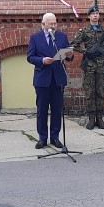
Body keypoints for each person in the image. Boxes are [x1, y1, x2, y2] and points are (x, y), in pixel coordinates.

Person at [27, 12, 73, 149]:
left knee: (57, 110)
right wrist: (41, 60)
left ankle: (55, 137)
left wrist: (70, 55)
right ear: (43, 24)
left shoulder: (61, 37)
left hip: (58, 78)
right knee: (42, 110)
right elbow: (30, 57)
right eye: (50, 24)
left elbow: (68, 56)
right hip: (42, 79)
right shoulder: (35, 38)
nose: (53, 26)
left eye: (55, 23)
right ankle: (42, 138)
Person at [71, 5, 104, 130]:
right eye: (93, 13)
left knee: (100, 92)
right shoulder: (84, 31)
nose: (95, 15)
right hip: (89, 67)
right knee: (90, 93)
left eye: (97, 13)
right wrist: (86, 52)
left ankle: (100, 119)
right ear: (89, 16)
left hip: (101, 67)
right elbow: (74, 45)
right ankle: (91, 119)